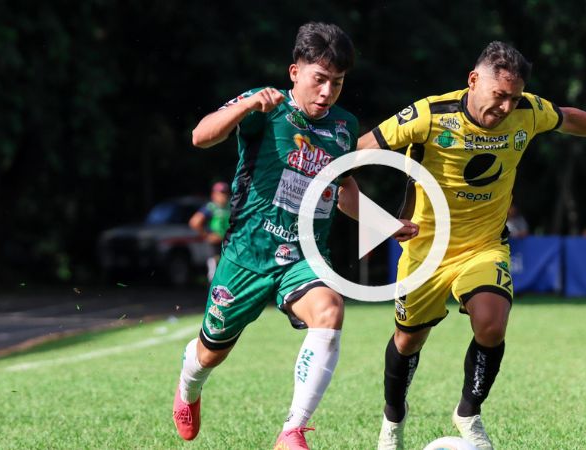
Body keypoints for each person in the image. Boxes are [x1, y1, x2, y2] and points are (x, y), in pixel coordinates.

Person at [357, 41, 586, 450]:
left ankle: (468, 411)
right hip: (425, 250)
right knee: (408, 341)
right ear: (473, 80)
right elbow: (356, 154)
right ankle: (393, 418)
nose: (506, 107)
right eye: (499, 95)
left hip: (484, 245)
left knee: (492, 323)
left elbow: (569, 117)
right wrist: (378, 220)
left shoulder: (528, 111)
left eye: (514, 98)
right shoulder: (429, 115)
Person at [172, 22, 417, 450]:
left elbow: (344, 188)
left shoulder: (344, 126)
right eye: (319, 79)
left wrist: (386, 224)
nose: (327, 92)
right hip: (248, 255)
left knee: (330, 310)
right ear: (295, 72)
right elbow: (200, 136)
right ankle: (188, 386)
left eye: (337, 83)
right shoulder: (265, 106)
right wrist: (246, 105)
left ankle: (292, 431)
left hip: (305, 256)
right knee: (211, 352)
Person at [189, 181, 231, 282]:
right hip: (215, 246)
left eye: (226, 193)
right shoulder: (211, 207)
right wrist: (207, 236)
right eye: (221, 193)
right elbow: (194, 222)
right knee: (214, 274)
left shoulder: (230, 206)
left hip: (228, 245)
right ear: (214, 195)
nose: (224, 196)